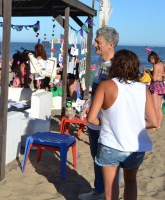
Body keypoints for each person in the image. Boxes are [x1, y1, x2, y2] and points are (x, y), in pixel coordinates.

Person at [87, 49, 158, 199]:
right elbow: (154, 122)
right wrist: (134, 123)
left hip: (110, 144)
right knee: (131, 181)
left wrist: (105, 121)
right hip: (134, 146)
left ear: (114, 65)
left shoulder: (105, 86)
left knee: (111, 189)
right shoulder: (142, 89)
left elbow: (91, 118)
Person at [78, 26, 119, 200]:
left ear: (110, 44)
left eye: (98, 41)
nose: (95, 44)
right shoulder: (101, 64)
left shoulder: (117, 67)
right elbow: (96, 91)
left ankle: (104, 193)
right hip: (94, 121)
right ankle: (99, 190)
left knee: (106, 160)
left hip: (106, 123)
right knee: (96, 157)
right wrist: (87, 105)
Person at [147, 51, 165, 129]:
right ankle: (159, 124)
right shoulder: (162, 64)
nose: (151, 62)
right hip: (161, 85)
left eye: (150, 60)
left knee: (154, 107)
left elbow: (153, 78)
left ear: (152, 58)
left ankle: (154, 125)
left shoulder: (155, 65)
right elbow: (162, 75)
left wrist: (148, 72)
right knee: (159, 107)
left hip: (155, 86)